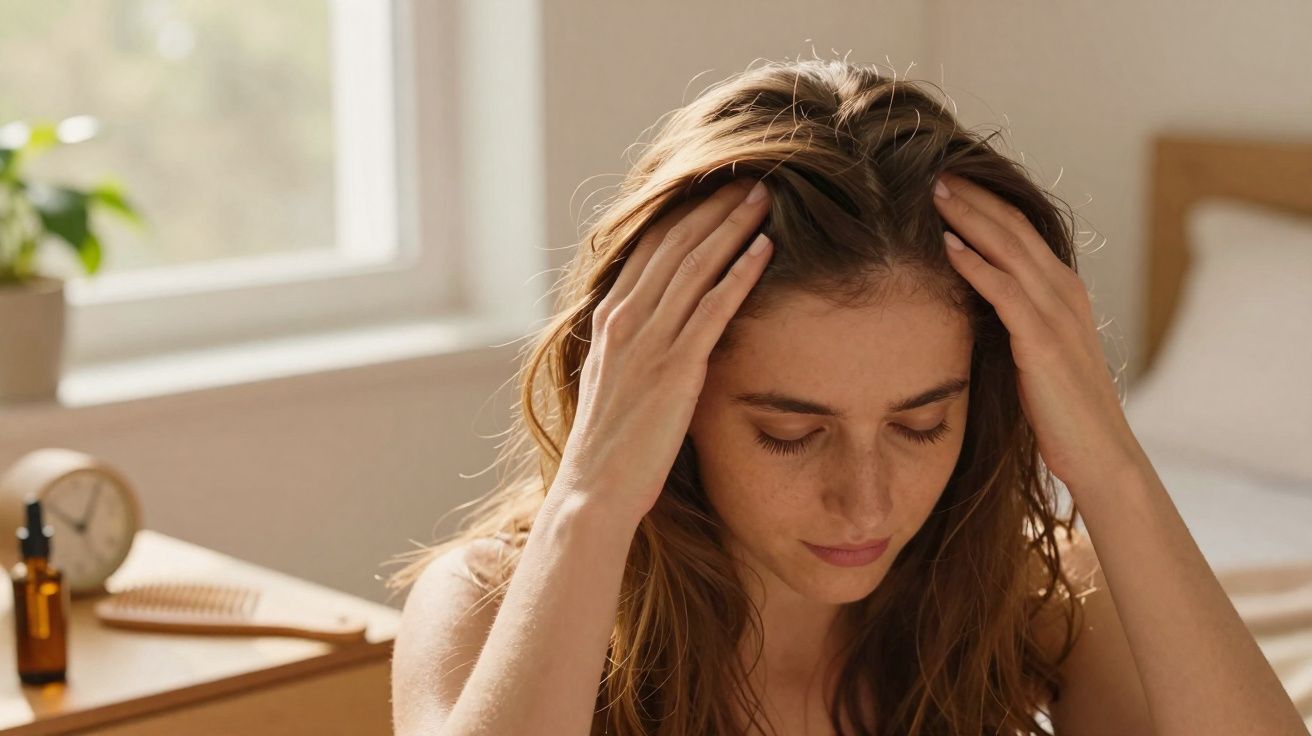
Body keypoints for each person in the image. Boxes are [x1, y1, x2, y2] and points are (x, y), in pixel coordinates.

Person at [385, 58, 1307, 736]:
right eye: (790, 433)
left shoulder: (1027, 591)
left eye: (921, 423)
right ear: (661, 396)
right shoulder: (483, 606)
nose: (866, 502)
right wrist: (591, 498)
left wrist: (1110, 465)